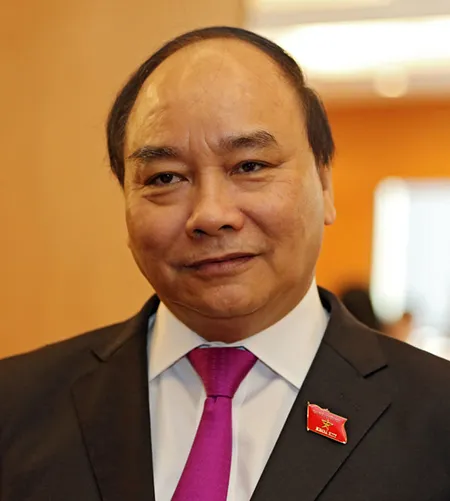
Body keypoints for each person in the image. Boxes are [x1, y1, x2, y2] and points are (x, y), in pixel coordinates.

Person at [1, 26, 450, 501]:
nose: (211, 214)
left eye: (250, 166)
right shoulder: (16, 407)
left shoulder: (435, 418)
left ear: (324, 185)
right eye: (166, 177)